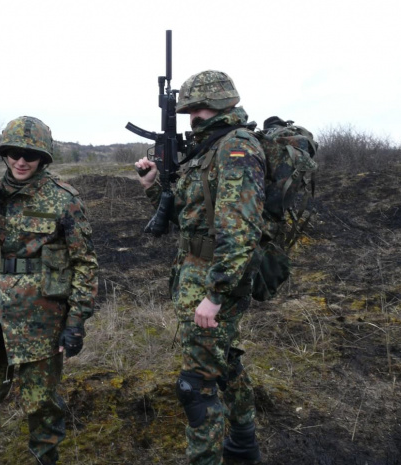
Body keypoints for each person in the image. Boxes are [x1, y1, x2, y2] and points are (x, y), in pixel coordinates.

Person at [135, 70, 265, 464]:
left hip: (215, 281)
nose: (194, 114)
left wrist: (216, 294)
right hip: (196, 274)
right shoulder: (208, 149)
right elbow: (189, 215)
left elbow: (240, 230)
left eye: (201, 106)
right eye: (190, 108)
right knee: (222, 363)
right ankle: (243, 445)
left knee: (196, 386)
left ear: (225, 103)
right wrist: (154, 185)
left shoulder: (235, 147)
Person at [0, 116, 99, 465]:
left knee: (42, 402)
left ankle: (45, 457)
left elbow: (85, 263)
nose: (21, 161)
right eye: (14, 153)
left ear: (43, 158)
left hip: (41, 318)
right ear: (4, 154)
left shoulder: (63, 199)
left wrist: (76, 320)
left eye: (30, 155)